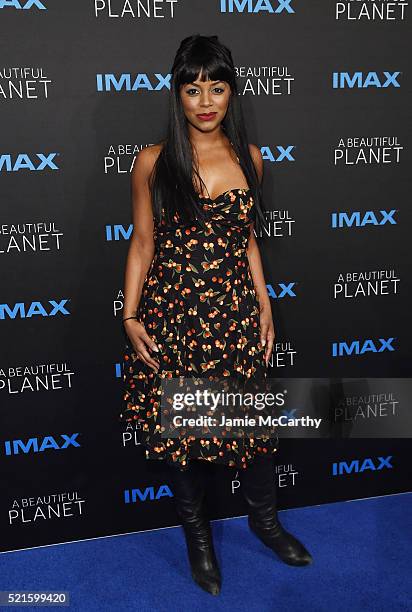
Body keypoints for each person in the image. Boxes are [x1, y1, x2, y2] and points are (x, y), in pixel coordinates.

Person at [120, 34, 312, 596]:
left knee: (251, 424)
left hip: (234, 310)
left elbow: (248, 241)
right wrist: (130, 316)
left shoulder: (250, 158)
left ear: (232, 93)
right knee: (182, 431)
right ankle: (197, 536)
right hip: (174, 312)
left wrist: (265, 304)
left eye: (217, 87)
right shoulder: (153, 161)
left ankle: (266, 522)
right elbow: (141, 241)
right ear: (178, 96)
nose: (205, 101)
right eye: (192, 89)